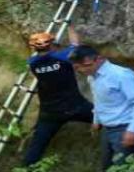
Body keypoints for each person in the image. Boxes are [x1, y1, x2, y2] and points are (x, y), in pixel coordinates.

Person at [69, 45, 134, 171]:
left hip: (125, 127)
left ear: (98, 59)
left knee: (125, 168)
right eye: (78, 67)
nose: (83, 70)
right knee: (108, 166)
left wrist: (133, 130)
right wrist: (96, 120)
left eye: (86, 65)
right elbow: (98, 100)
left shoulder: (121, 75)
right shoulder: (92, 76)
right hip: (108, 129)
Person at [22, 26, 94, 167]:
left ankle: (26, 169)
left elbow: (36, 55)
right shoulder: (63, 57)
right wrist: (70, 26)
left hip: (50, 112)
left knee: (35, 149)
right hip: (75, 106)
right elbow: (76, 45)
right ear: (51, 45)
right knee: (108, 118)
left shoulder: (32, 63)